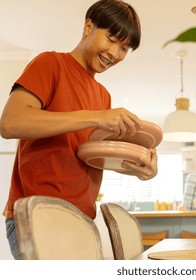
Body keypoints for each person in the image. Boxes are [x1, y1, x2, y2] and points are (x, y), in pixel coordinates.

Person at [0, 0, 158, 260]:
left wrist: (142, 169)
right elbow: (10, 123)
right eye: (111, 39)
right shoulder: (50, 63)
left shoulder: (102, 95)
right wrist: (96, 117)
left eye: (124, 48)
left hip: (81, 220)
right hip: (39, 217)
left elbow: (89, 157)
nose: (114, 54)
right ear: (88, 26)